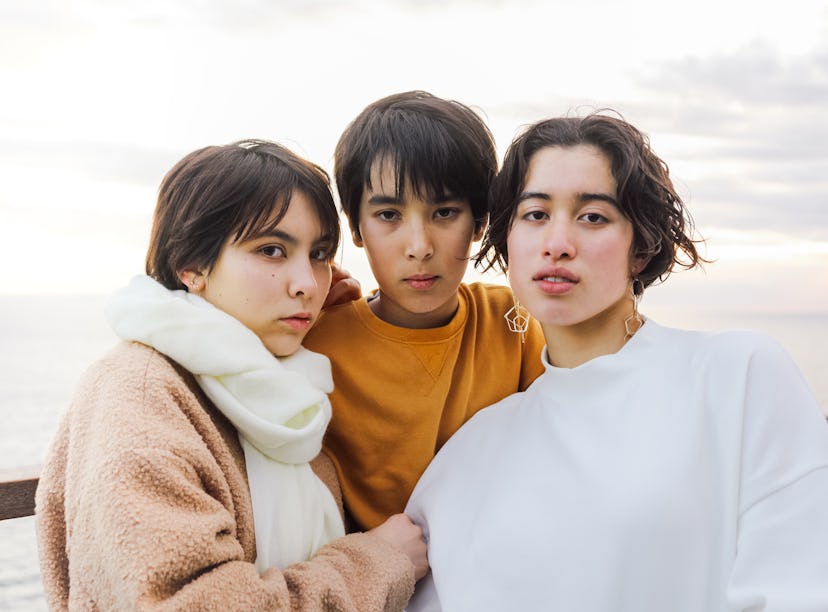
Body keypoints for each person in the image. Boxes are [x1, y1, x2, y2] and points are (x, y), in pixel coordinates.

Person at [405, 112, 828, 611]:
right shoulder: (469, 455)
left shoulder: (739, 377)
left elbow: (795, 588)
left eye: (593, 217)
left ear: (641, 248)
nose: (557, 244)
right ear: (507, 241)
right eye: (535, 214)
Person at [35, 140, 427, 610]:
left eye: (319, 254)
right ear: (192, 266)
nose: (307, 283)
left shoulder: (279, 389)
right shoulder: (138, 393)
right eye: (271, 250)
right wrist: (375, 562)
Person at [302, 91, 546, 531]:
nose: (419, 247)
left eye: (445, 212)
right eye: (389, 215)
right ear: (355, 227)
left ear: (480, 221)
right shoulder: (315, 346)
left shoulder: (516, 323)